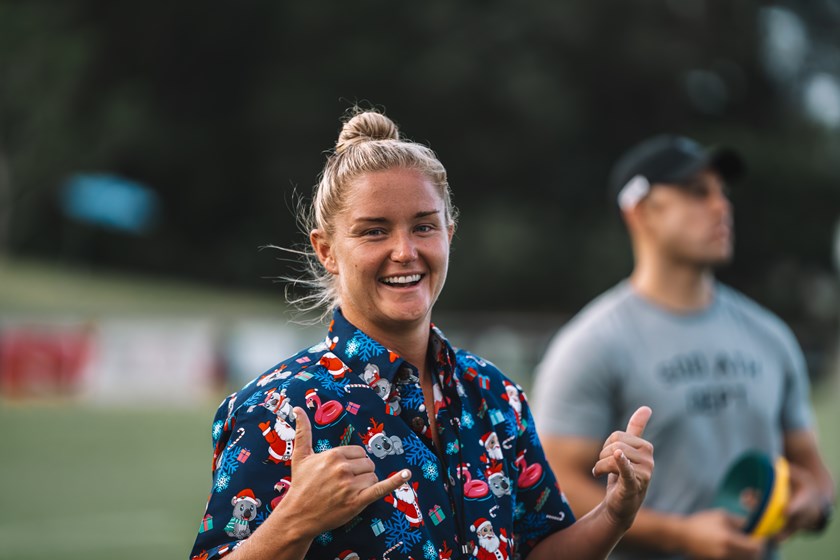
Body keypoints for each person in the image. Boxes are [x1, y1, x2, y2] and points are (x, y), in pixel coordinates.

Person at [189, 109, 655, 560]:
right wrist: (295, 520)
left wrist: (614, 512)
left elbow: (539, 551)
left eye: (424, 226)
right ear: (327, 250)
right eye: (374, 232)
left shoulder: (494, 395)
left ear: (449, 234)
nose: (404, 251)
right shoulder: (277, 409)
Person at [531, 134, 835, 560]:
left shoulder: (770, 335)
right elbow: (555, 482)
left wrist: (814, 504)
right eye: (697, 192)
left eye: (722, 193)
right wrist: (680, 535)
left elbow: (812, 467)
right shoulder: (591, 344)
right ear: (640, 211)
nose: (720, 206)